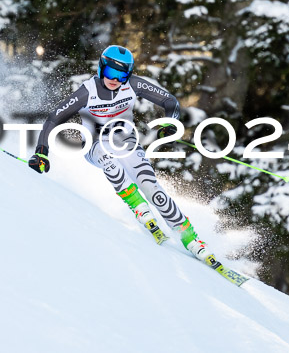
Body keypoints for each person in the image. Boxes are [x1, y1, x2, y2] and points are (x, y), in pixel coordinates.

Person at [28, 45, 210, 262]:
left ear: (128, 74)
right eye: (110, 73)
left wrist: (171, 122)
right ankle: (138, 207)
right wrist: (41, 152)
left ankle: (191, 238)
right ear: (101, 68)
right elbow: (53, 119)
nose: (114, 79)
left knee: (152, 188)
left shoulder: (132, 85)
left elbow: (170, 101)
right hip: (95, 145)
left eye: (121, 74)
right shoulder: (88, 91)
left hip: (126, 142)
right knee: (111, 164)